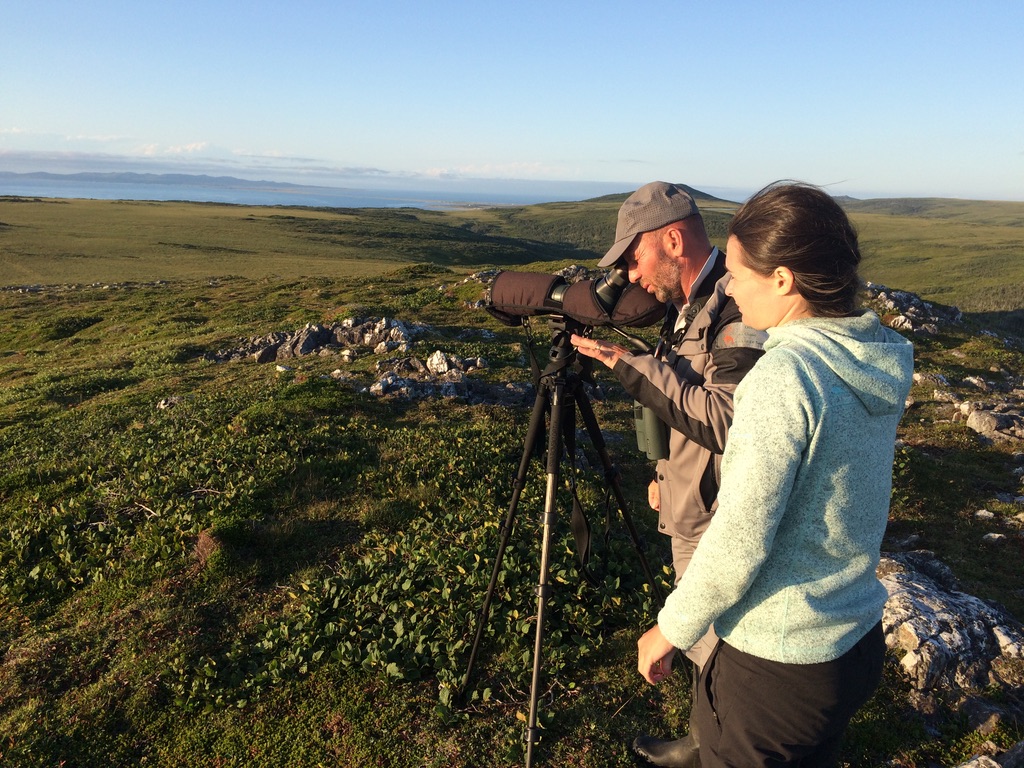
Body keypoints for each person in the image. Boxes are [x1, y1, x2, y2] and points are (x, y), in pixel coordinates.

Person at [630, 181, 915, 767]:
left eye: (735, 273)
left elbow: (739, 537)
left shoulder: (785, 376)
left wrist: (670, 629)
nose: (728, 286)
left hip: (776, 663)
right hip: (849, 638)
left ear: (783, 279)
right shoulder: (870, 355)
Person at [571, 181, 766, 767]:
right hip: (692, 502)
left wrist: (628, 367)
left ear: (673, 240)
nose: (630, 276)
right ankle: (707, 738)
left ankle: (723, 749)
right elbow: (685, 407)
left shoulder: (737, 308)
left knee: (723, 643)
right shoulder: (689, 308)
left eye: (634, 258)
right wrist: (666, 474)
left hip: (721, 515)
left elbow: (728, 420)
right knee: (706, 640)